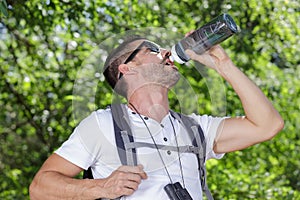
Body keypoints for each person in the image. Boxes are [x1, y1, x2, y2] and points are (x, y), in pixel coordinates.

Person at [29, 34, 284, 199]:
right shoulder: (102, 124)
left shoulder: (196, 129)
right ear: (126, 68)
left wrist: (223, 65)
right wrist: (101, 186)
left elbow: (268, 125)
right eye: (150, 49)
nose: (164, 52)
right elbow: (40, 187)